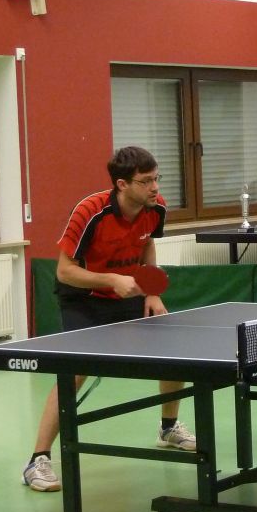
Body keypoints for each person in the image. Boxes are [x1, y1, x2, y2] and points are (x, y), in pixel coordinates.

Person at [21, 146, 196, 492]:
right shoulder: (90, 212)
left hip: (129, 292)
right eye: (145, 181)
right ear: (122, 184)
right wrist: (111, 280)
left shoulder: (155, 207)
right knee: (74, 371)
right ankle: (37, 460)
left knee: (172, 352)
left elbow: (147, 245)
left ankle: (168, 428)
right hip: (83, 297)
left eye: (156, 178)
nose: (155, 187)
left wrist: (151, 290)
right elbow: (65, 271)